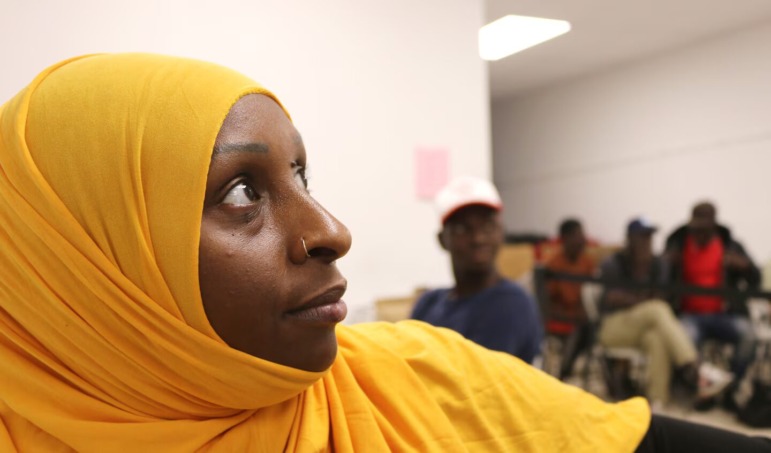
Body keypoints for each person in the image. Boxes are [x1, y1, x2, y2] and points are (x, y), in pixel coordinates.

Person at [0, 53, 768, 452]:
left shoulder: (418, 380)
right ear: (83, 273)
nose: (332, 228)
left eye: (301, 173)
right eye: (241, 191)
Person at [598, 218, 733, 409]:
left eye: (650, 236)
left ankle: (657, 403)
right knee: (657, 309)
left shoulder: (657, 264)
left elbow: (661, 294)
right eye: (642, 236)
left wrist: (638, 299)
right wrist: (644, 300)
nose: (647, 241)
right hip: (613, 327)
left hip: (645, 327)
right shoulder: (614, 262)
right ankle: (696, 368)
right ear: (630, 238)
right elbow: (612, 297)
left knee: (657, 338)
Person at [410, 176, 542, 363]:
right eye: (462, 229)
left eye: (488, 226)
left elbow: (477, 384)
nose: (478, 238)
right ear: (442, 239)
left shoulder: (512, 303)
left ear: (501, 233)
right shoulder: (428, 303)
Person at [665, 202, 759, 396]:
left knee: (749, 335)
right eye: (696, 228)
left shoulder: (731, 245)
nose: (699, 233)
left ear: (714, 225)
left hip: (724, 314)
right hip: (689, 314)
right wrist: (667, 263)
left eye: (704, 229)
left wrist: (744, 266)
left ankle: (731, 385)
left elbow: (755, 280)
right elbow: (658, 277)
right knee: (684, 338)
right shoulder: (678, 243)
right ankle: (696, 387)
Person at [544, 218, 596, 380]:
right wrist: (570, 316)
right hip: (562, 319)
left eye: (582, 234)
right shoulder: (554, 265)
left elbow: (592, 295)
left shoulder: (587, 263)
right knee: (581, 330)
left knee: (593, 328)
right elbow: (546, 303)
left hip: (584, 318)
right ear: (565, 239)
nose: (582, 239)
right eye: (577, 235)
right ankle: (564, 372)